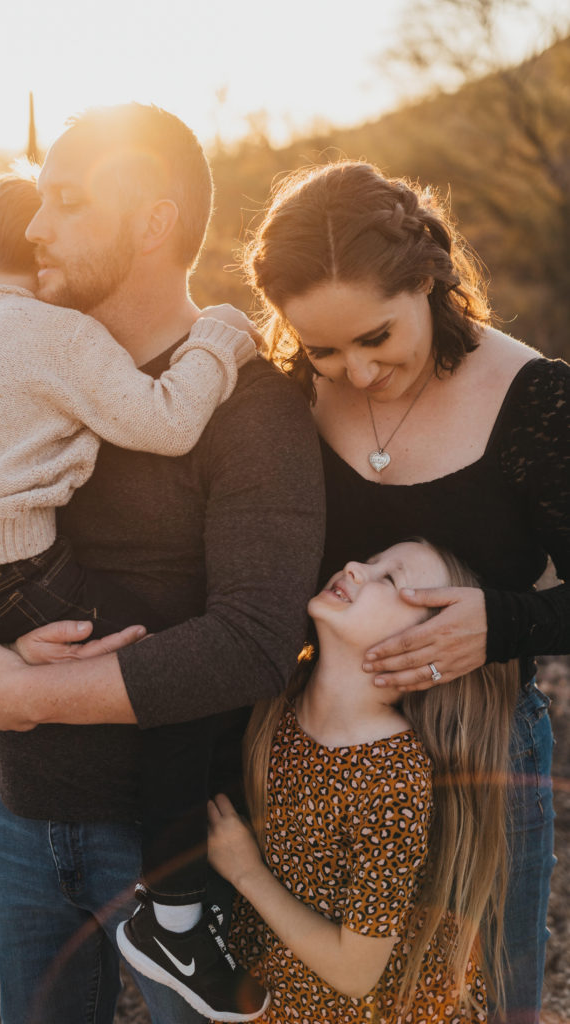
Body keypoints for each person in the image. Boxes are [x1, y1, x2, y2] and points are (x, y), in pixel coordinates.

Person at [0, 104, 325, 1024]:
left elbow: (254, 641)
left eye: (66, 202)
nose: (35, 227)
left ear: (153, 223)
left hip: (176, 840)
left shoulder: (247, 408)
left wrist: (38, 691)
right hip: (14, 815)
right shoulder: (1, 370)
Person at [242, 160, 568, 1023]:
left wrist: (504, 620)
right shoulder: (283, 397)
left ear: (427, 278)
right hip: (322, 746)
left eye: (375, 338)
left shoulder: (536, 398)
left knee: (490, 993)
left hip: (484, 750)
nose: (351, 373)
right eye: (321, 348)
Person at [208, 539, 521, 1022]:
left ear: (430, 644)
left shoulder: (391, 779)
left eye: (390, 580)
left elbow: (357, 972)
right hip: (277, 1000)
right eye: (371, 562)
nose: (355, 567)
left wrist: (245, 872)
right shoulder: (279, 699)